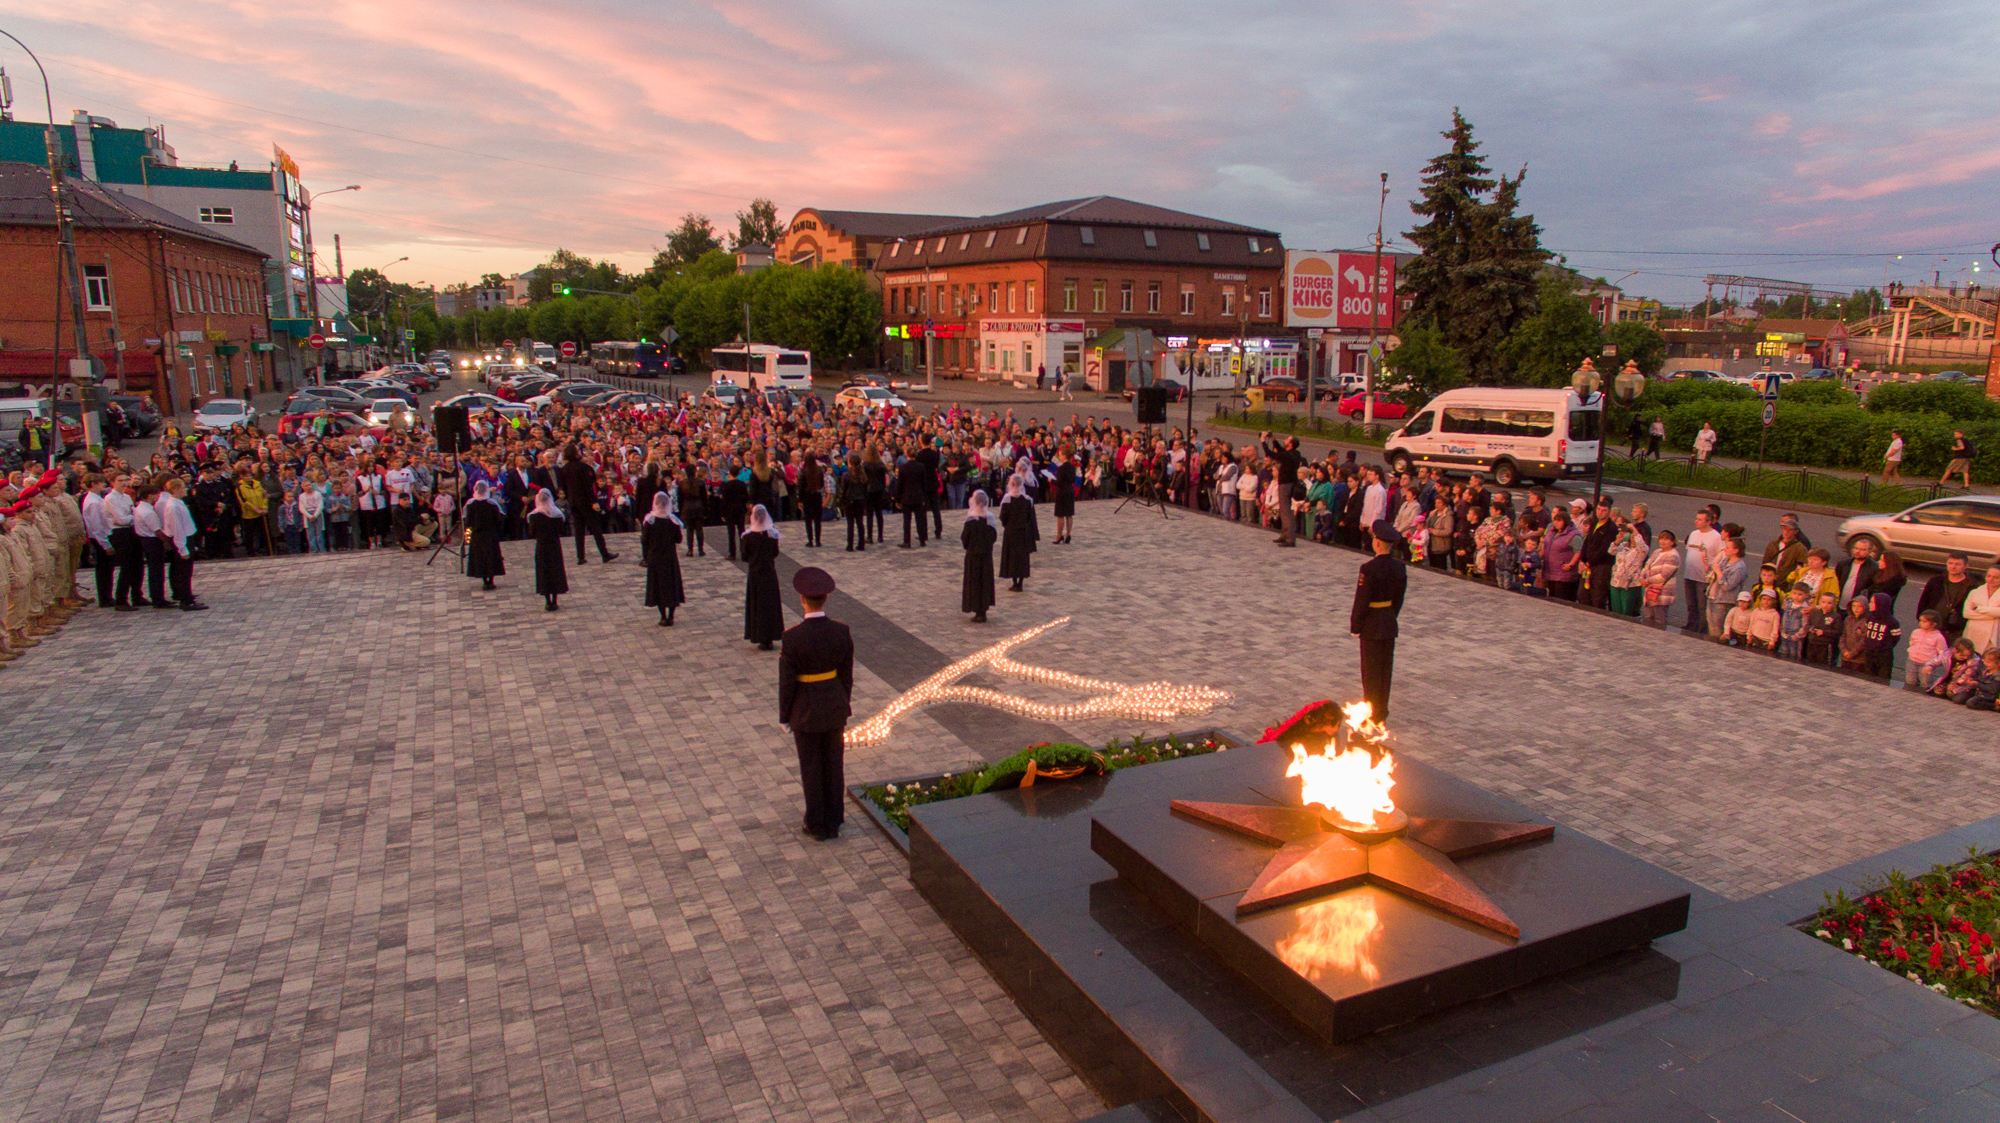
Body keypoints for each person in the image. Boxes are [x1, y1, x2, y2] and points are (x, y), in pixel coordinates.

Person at [780, 566, 853, 841]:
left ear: (802, 600)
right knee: (834, 764)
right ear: (826, 599)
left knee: (811, 766)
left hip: (805, 709)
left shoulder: (792, 637)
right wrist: (842, 701)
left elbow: (787, 682)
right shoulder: (841, 632)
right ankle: (834, 819)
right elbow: (846, 676)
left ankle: (816, 821)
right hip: (834, 705)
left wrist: (785, 714)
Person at [1351, 520, 1407, 722]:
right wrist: (1391, 615)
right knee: (1385, 671)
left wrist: (1356, 625)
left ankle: (1372, 711)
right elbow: (1398, 599)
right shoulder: (1399, 568)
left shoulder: (1369, 568)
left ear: (1377, 543)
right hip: (1388, 622)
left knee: (1371, 673)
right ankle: (1382, 710)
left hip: (1372, 625)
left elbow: (1362, 600)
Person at [559, 444, 617, 565]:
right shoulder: (583, 467)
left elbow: (563, 486)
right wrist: (594, 501)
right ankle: (604, 554)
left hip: (573, 502)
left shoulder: (564, 469)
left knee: (579, 530)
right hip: (585, 501)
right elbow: (588, 486)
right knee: (595, 528)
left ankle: (580, 556)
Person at [157, 477, 206, 611]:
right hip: (181, 540)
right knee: (183, 572)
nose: (185, 489)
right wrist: (182, 549)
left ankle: (187, 596)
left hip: (187, 538)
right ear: (175, 489)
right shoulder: (172, 506)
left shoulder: (178, 502)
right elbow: (176, 528)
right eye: (183, 487)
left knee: (186, 572)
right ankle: (186, 601)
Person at [741, 504, 784, 650]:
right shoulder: (772, 535)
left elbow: (744, 556)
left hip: (755, 574)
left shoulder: (747, 537)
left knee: (757, 605)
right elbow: (775, 553)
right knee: (770, 604)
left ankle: (759, 636)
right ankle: (771, 637)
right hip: (769, 573)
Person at [641, 491, 685, 627]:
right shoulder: (672, 521)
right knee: (671, 586)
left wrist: (646, 556)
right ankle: (671, 616)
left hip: (655, 557)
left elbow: (644, 540)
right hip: (669, 557)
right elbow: (678, 539)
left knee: (658, 586)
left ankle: (662, 616)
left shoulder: (650, 521)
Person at [1918, 552, 1979, 643]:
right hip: (1931, 626)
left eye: (1957, 564)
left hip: (1955, 630)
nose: (1953, 567)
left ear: (1966, 566)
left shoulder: (1972, 585)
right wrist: (1922, 619)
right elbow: (1923, 601)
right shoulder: (1936, 581)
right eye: (1950, 563)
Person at [1682, 510, 1724, 634]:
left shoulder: (1716, 537)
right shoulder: (1693, 534)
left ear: (1709, 522)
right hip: (1689, 574)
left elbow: (1721, 555)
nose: (1696, 521)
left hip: (1704, 577)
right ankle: (1691, 625)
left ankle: (1701, 629)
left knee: (1702, 606)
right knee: (1691, 603)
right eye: (1696, 518)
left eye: (1700, 519)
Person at [961, 489, 998, 624]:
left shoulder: (970, 521)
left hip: (973, 556)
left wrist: (970, 547)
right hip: (986, 556)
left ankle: (977, 610)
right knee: (985, 582)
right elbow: (994, 536)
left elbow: (964, 539)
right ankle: (983, 611)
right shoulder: (990, 519)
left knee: (974, 582)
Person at [528, 488, 568, 611]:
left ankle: (547, 601)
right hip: (554, 546)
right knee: (555, 571)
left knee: (544, 572)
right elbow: (562, 530)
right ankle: (555, 600)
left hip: (542, 547)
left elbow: (531, 533)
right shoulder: (557, 514)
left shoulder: (534, 516)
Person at [1260, 431, 1302, 547]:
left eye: (1287, 440)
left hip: (1285, 485)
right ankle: (1285, 534)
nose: (1285, 441)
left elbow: (1270, 454)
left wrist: (1263, 440)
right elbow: (1281, 449)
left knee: (1286, 512)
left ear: (1291, 444)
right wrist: (1273, 439)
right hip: (1290, 484)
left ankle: (1290, 538)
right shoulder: (1295, 453)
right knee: (1284, 511)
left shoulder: (1288, 456)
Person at [998, 474, 1038, 593]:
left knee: (1012, 557)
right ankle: (1020, 583)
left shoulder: (1007, 499)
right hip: (1023, 532)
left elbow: (1003, 517)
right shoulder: (1028, 500)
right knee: (1022, 558)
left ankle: (1015, 582)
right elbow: (1031, 519)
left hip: (1011, 532)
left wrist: (1007, 524)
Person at [133, 483, 171, 609]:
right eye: (156, 495)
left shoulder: (141, 507)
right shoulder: (147, 511)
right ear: (150, 496)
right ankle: (158, 598)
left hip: (146, 540)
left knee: (155, 570)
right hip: (152, 542)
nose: (158, 497)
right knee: (156, 571)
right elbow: (157, 530)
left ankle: (157, 596)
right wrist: (167, 542)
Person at [79, 473, 114, 608]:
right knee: (103, 570)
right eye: (101, 482)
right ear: (93, 484)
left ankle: (107, 596)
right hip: (99, 539)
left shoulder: (97, 499)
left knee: (107, 569)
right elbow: (96, 525)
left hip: (101, 536)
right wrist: (105, 544)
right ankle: (105, 597)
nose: (104, 485)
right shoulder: (92, 501)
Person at [465, 480, 506, 591]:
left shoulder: (471, 505)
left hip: (477, 535)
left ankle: (484, 581)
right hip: (490, 535)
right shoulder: (492, 504)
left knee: (480, 557)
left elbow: (468, 522)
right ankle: (491, 581)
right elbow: (499, 520)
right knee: (491, 556)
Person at [1639, 529, 1680, 627]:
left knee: (1659, 618)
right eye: (1661, 539)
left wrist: (1647, 580)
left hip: (1661, 593)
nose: (1663, 541)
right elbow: (1647, 566)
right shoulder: (1657, 552)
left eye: (1666, 539)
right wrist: (1641, 577)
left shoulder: (1673, 555)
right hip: (1650, 591)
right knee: (1648, 617)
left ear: (1672, 542)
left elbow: (1664, 575)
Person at [1542, 509, 1581, 601]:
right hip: (1550, 572)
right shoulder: (1551, 532)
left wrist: (1570, 565)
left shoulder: (1573, 536)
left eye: (1559, 521)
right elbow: (1546, 547)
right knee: (1552, 598)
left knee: (1562, 599)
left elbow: (1578, 552)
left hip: (1564, 575)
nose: (1556, 523)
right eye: (1555, 520)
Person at [1907, 611, 1951, 691]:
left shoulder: (1938, 637)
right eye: (1920, 621)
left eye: (1924, 621)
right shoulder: (1916, 632)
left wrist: (1932, 664)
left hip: (1926, 664)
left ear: (1934, 624)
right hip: (1912, 661)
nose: (1921, 623)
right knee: (1910, 682)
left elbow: (1943, 653)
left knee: (1925, 683)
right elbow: (1912, 643)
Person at [897, 446, 929, 548]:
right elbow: (924, 483)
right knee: (919, 519)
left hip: (906, 497)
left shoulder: (902, 468)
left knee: (907, 520)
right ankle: (922, 540)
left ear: (906, 455)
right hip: (918, 496)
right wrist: (924, 497)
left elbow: (900, 485)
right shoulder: (921, 466)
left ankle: (907, 541)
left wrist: (897, 499)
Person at [1965, 563, 2000, 655]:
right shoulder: (1975, 592)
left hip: (1993, 636)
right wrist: (1993, 615)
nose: (1991, 579)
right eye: (1989, 576)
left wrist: (1978, 608)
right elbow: (1966, 613)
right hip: (1974, 632)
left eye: (1996, 577)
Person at [837, 453, 869, 552]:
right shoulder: (863, 475)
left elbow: (843, 489)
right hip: (860, 500)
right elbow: (865, 489)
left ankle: (850, 545)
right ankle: (861, 543)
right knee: (860, 522)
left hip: (850, 501)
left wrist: (841, 500)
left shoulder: (847, 475)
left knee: (850, 523)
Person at [1804, 592, 1842, 668]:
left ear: (1834, 604)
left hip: (1825, 645)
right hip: (1812, 643)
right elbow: (1807, 625)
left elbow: (1838, 632)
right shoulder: (1815, 613)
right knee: (1810, 664)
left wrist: (1824, 632)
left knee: (1823, 666)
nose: (1825, 605)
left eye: (1829, 603)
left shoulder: (1835, 616)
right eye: (1823, 602)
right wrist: (1810, 629)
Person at [1049, 448, 1077, 544]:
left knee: (1060, 515)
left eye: (1060, 455)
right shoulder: (1072, 467)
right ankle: (1068, 534)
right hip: (1070, 490)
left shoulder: (1061, 468)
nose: (1059, 457)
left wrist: (1051, 480)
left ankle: (1059, 535)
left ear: (1065, 456)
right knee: (1069, 514)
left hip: (1062, 492)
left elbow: (1059, 482)